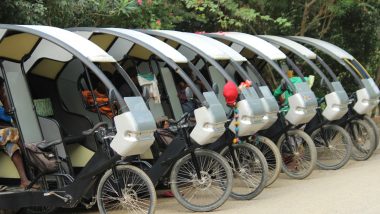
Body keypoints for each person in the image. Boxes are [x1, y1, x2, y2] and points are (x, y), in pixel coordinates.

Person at [0, 77, 37, 190]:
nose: (2, 90)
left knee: (14, 148)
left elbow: (10, 115)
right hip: (6, 134)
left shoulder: (1, 104)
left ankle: (24, 181)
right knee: (10, 131)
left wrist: (4, 99)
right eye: (1, 89)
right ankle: (29, 151)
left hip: (4, 138)